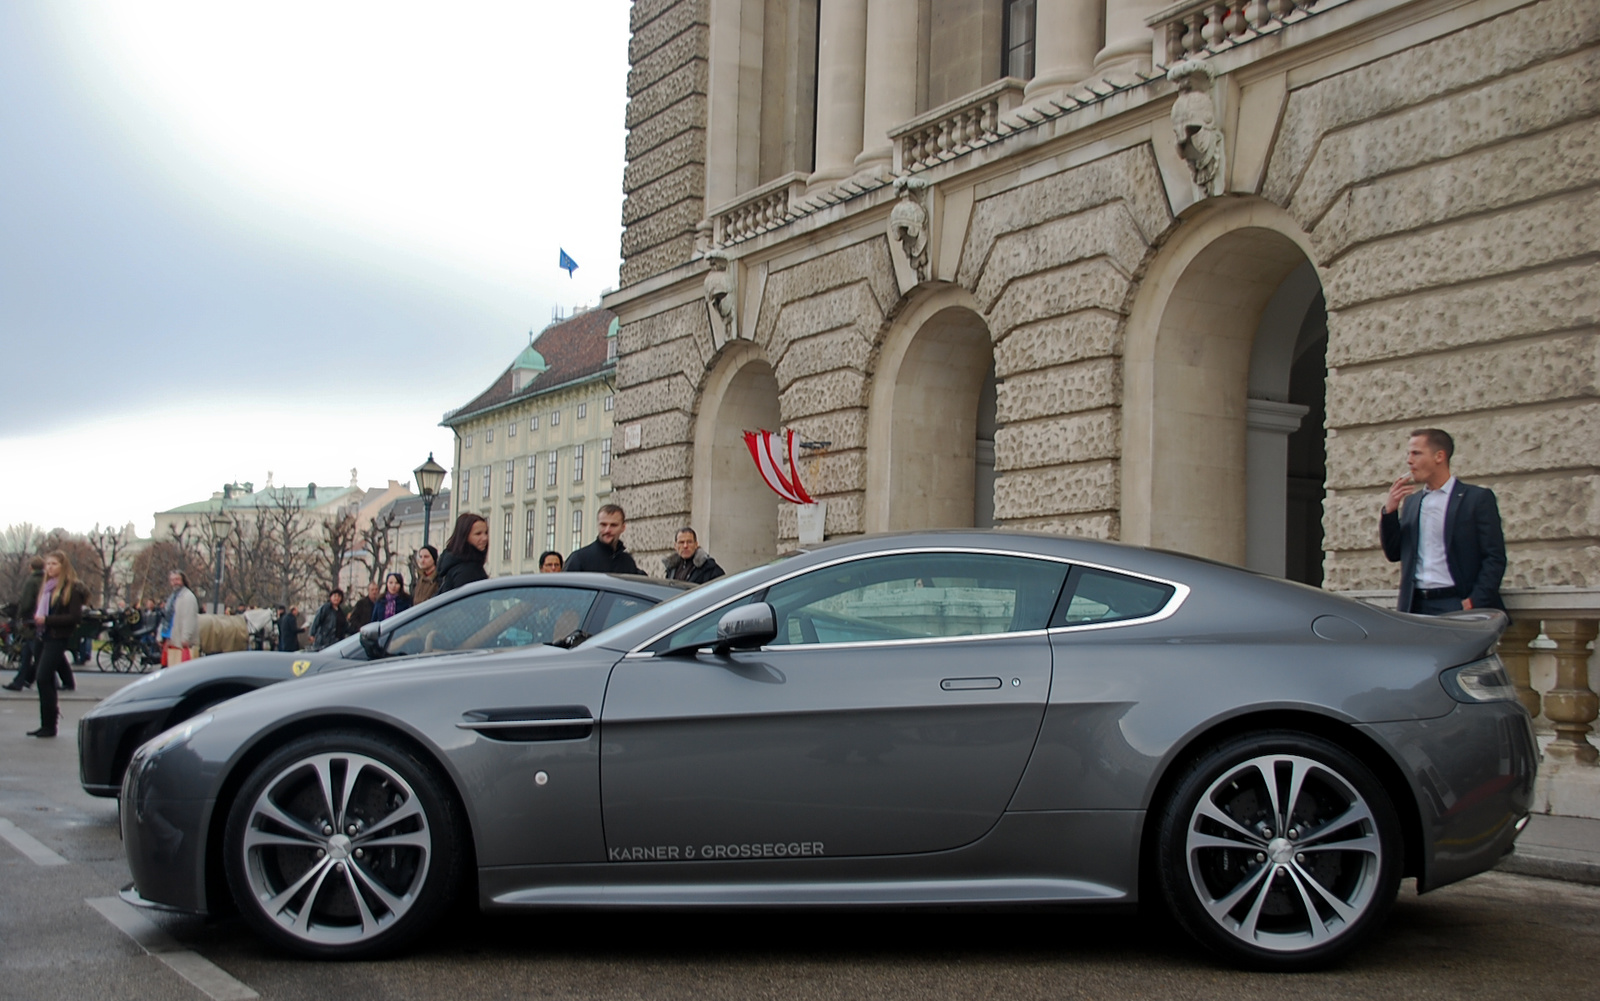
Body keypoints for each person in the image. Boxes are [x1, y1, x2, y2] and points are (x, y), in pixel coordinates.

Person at [1379, 428, 1506, 615]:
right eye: (1408, 454)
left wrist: (1474, 601)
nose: (1409, 460)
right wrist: (1389, 512)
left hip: (1456, 602)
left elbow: (1494, 557)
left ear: (1439, 456)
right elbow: (1394, 552)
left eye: (1416, 453)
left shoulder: (1476, 499)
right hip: (1416, 605)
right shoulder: (1412, 502)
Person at [27, 551, 85, 738]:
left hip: (57, 636)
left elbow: (75, 617)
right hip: (42, 635)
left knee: (43, 677)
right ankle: (47, 723)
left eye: (54, 564)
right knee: (45, 679)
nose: (49, 567)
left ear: (63, 566)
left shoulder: (71, 588)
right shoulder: (47, 587)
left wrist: (47, 620)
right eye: (48, 564)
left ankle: (50, 724)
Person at [2, 557, 45, 691]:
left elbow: (26, 602)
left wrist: (20, 615)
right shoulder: (45, 580)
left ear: (31, 567)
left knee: (34, 652)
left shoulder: (31, 582)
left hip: (30, 620)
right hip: (39, 618)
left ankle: (47, 681)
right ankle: (19, 681)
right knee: (27, 653)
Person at [563, 504, 642, 575]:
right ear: (598, 526)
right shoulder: (578, 559)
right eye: (603, 525)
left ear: (623, 527)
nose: (607, 530)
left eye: (613, 525)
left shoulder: (627, 562)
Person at [437, 513, 490, 594]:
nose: (485, 538)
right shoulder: (468, 570)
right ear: (464, 536)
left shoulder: (451, 563)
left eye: (486, 533)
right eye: (478, 534)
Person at [162, 571, 200, 666]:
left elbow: (189, 618)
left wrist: (185, 637)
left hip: (181, 640)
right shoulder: (172, 597)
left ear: (183, 580)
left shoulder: (188, 597)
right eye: (172, 580)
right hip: (171, 637)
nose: (175, 582)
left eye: (177, 579)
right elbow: (166, 617)